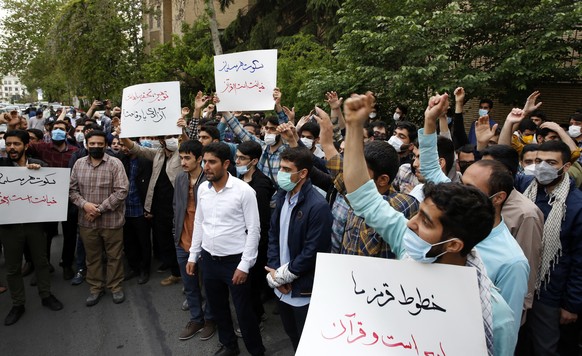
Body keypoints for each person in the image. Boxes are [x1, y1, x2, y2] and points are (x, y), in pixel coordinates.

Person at [342, 92, 515, 355]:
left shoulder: (496, 316)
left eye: (425, 221)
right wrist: (353, 127)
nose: (410, 224)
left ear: (454, 244)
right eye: (418, 213)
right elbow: (363, 196)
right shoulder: (410, 247)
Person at [186, 142, 265, 356]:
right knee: (219, 308)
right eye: (204, 162)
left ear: (226, 163)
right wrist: (193, 255)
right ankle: (229, 346)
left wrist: (245, 265)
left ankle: (257, 351)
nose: (206, 167)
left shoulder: (244, 191)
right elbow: (200, 223)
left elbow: (254, 230)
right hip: (209, 261)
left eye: (212, 162)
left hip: (235, 262)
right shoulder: (202, 189)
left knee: (244, 312)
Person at [515, 140, 582, 355]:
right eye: (537, 161)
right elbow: (496, 164)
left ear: (565, 167)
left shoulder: (575, 205)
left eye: (550, 162)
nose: (542, 166)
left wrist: (572, 304)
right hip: (520, 287)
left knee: (545, 348)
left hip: (550, 293)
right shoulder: (525, 187)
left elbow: (580, 261)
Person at [265, 147, 332, 350]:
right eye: (281, 168)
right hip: (281, 285)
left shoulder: (317, 206)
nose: (281, 173)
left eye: (287, 169)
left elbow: (313, 251)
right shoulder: (282, 196)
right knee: (292, 334)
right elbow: (273, 235)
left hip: (302, 290)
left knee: (308, 342)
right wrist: (275, 271)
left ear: (302, 173)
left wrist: (285, 275)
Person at [0, 130, 63, 326]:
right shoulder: (1, 167)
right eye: (8, 144)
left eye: (16, 144)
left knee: (41, 261)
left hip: (35, 225)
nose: (12, 148)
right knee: (12, 268)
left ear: (26, 146)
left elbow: (53, 193)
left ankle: (46, 295)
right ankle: (18, 304)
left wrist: (40, 174)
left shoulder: (40, 166)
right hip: (9, 227)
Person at [69, 130, 129, 306]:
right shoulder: (79, 164)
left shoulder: (115, 163)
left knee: (114, 256)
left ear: (106, 145)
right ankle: (96, 288)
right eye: (92, 143)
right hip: (86, 221)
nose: (96, 146)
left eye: (99, 143)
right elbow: (72, 190)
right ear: (86, 144)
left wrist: (99, 209)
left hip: (112, 221)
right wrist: (84, 205)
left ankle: (115, 287)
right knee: (92, 257)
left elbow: (122, 190)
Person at [173, 139, 216, 341]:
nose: (183, 162)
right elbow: (176, 207)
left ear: (199, 159)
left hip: (204, 243)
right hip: (183, 241)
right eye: (181, 157)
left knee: (208, 285)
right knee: (190, 285)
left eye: (187, 158)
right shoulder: (180, 179)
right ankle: (196, 318)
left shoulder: (210, 182)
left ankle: (210, 320)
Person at [235, 141, 276, 327]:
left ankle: (256, 319)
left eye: (242, 158)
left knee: (251, 285)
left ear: (254, 161)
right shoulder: (236, 179)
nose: (237, 161)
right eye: (236, 156)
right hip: (238, 241)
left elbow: (260, 223)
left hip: (255, 244)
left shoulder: (261, 185)